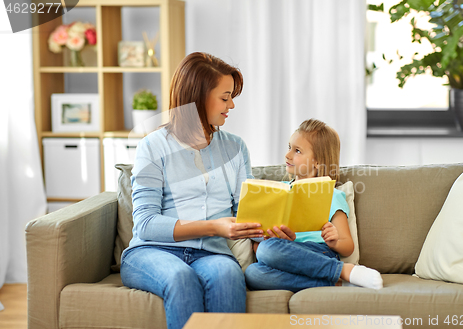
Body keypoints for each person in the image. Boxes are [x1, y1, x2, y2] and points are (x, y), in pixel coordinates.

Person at [120, 52, 264, 329]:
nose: (231, 105)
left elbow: (246, 211)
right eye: (225, 97)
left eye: (232, 96)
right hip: (153, 252)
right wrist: (213, 227)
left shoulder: (235, 148)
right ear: (197, 99)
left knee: (228, 276)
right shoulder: (153, 146)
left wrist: (270, 229)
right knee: (179, 277)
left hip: (211, 254)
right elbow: (146, 225)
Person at [245, 119, 383, 292]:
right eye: (289, 147)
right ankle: (337, 281)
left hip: (319, 252)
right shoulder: (279, 191)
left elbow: (348, 246)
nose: (288, 155)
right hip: (287, 253)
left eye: (297, 151)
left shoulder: (331, 194)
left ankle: (342, 269)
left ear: (317, 161)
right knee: (253, 273)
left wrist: (334, 241)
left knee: (265, 250)